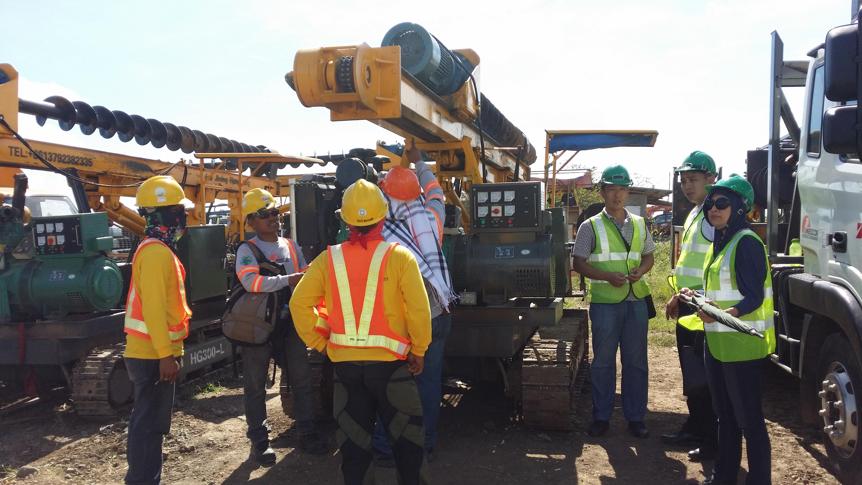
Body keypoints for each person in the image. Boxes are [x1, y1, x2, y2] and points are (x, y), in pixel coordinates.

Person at [289, 179, 432, 485]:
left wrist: (320, 343)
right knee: (408, 446)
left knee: (355, 449)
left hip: (347, 370)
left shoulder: (329, 259)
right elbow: (420, 311)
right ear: (383, 218)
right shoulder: (400, 257)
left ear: (345, 219)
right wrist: (419, 350)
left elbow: (299, 303)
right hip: (392, 368)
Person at [678, 175, 774, 485]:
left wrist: (719, 315)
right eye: (710, 204)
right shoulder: (720, 242)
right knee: (726, 418)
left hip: (742, 347)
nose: (713, 210)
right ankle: (723, 476)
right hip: (718, 344)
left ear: (739, 208)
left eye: (722, 204)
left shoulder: (746, 242)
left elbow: (754, 297)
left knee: (749, 421)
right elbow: (722, 291)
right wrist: (698, 300)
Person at [372, 145, 457, 465]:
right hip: (438, 310)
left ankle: (384, 446)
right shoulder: (432, 215)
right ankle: (427, 443)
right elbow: (435, 191)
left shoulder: (382, 230)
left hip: (405, 318)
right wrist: (420, 161)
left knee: (392, 381)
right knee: (428, 382)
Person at [235, 188, 327, 465]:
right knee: (255, 386)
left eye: (275, 212)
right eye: (265, 214)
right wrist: (289, 279)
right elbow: (251, 283)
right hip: (257, 327)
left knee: (301, 379)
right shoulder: (247, 250)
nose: (273, 218)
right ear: (251, 221)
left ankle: (307, 432)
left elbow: (304, 279)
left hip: (290, 324)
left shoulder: (290, 245)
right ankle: (260, 442)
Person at [571, 165, 655, 439]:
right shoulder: (590, 226)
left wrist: (640, 271)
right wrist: (607, 276)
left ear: (628, 191)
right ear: (604, 192)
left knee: (636, 362)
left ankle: (636, 417)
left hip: (636, 301)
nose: (617, 195)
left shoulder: (640, 224)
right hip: (606, 303)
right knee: (603, 362)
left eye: (622, 189)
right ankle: (601, 416)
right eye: (612, 189)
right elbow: (578, 263)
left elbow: (648, 256)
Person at [123, 175, 192, 485]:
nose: (183, 216)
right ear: (163, 215)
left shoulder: (159, 250)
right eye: (178, 210)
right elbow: (152, 309)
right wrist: (166, 355)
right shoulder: (154, 252)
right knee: (147, 426)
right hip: (151, 355)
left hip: (156, 353)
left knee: (153, 426)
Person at [663, 151, 719, 460]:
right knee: (691, 372)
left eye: (693, 179)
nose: (687, 185)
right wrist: (677, 296)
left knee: (702, 377)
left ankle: (709, 437)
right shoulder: (695, 212)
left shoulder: (713, 214)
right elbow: (688, 262)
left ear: (711, 179)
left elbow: (715, 264)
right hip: (689, 302)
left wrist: (702, 304)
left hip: (703, 309)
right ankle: (695, 426)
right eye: (683, 180)